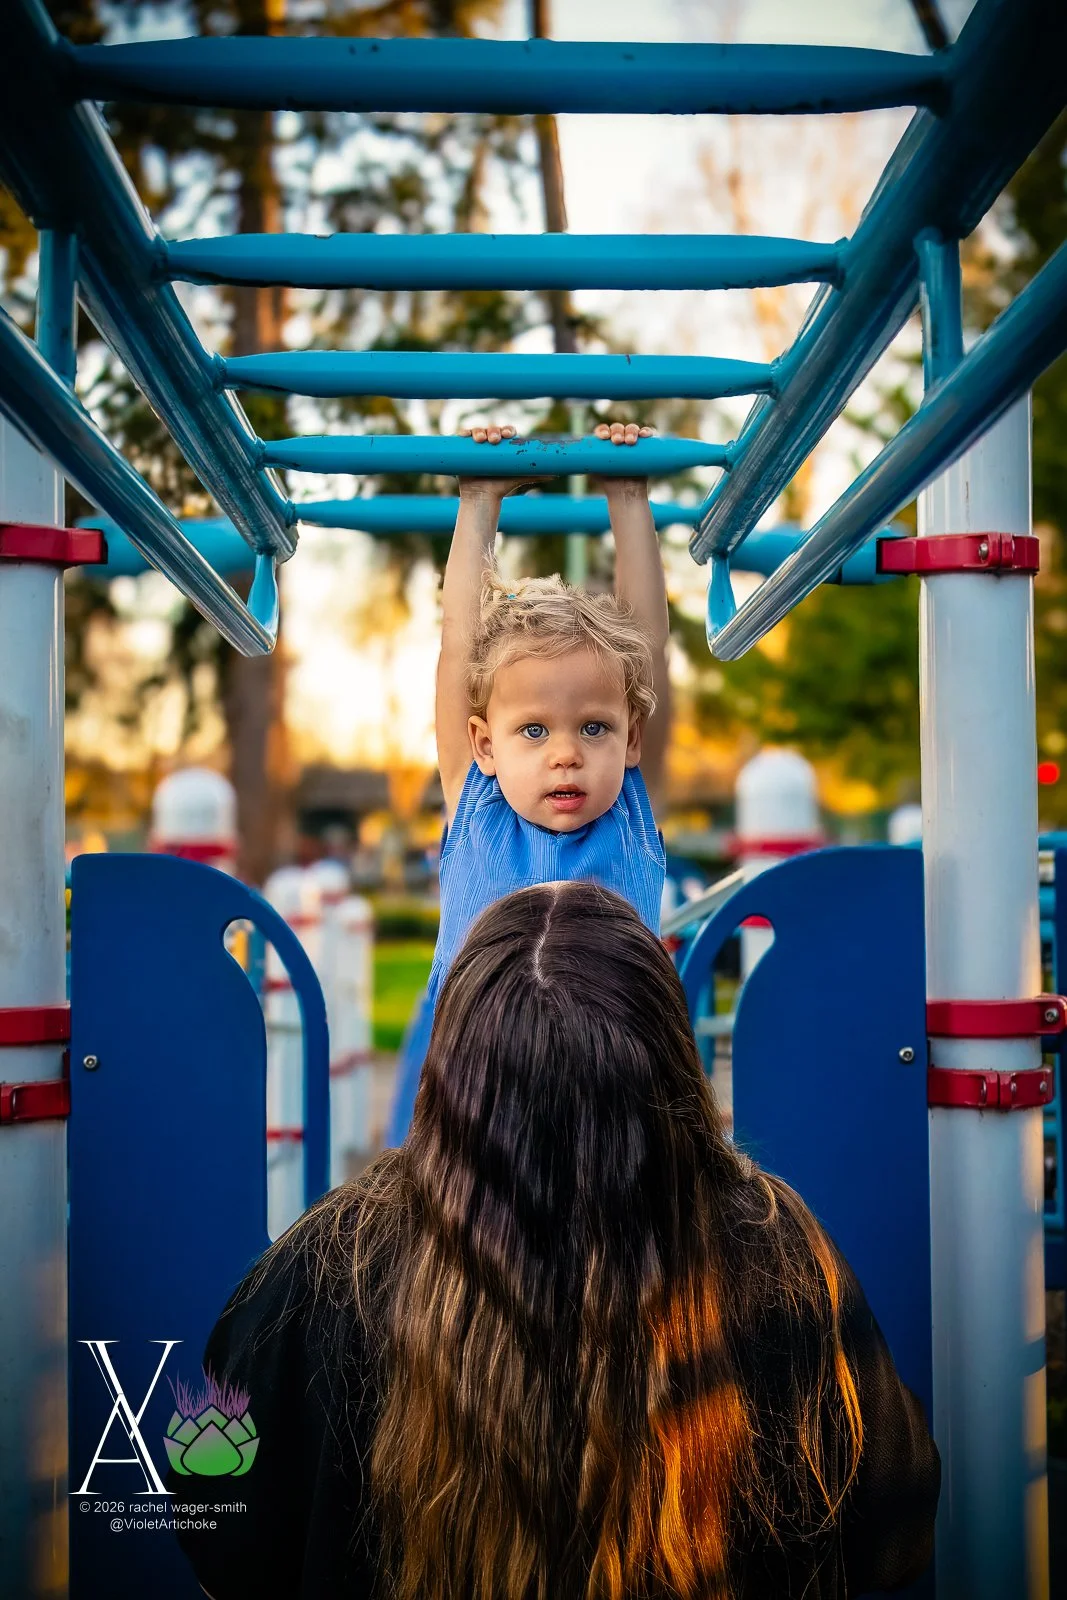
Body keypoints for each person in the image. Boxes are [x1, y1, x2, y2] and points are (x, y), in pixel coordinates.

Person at [174, 882, 939, 1600]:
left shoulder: (327, 1266)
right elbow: (892, 1531)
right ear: (669, 1061)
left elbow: (217, 1530)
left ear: (449, 1071)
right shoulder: (777, 1255)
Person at [386, 419, 670, 1142]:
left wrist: (628, 498)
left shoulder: (628, 808)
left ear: (632, 738)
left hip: (611, 1097)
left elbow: (648, 649)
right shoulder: (476, 800)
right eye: (534, 731)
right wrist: (478, 501)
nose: (566, 754)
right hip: (480, 1095)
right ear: (485, 744)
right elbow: (459, 646)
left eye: (594, 727)